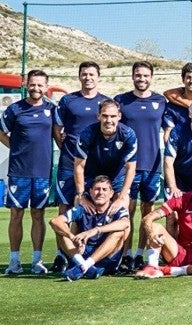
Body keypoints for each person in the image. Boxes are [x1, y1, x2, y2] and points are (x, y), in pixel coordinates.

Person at [1, 69, 62, 275]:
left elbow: (57, 135)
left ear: (46, 87)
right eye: (32, 84)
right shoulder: (15, 109)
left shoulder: (52, 109)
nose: (36, 88)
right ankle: (14, 261)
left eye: (40, 85)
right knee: (16, 214)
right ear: (26, 85)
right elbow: (1, 130)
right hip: (19, 171)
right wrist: (14, 148)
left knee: (38, 214)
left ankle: (37, 260)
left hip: (43, 172)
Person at [115, 61, 168, 272]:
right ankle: (125, 255)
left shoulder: (160, 101)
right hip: (128, 167)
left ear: (151, 77)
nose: (142, 79)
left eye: (146, 75)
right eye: (138, 75)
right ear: (132, 76)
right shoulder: (121, 101)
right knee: (126, 211)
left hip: (153, 165)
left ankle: (140, 254)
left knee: (148, 212)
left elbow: (169, 128)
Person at [133, 166, 192, 278]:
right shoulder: (183, 198)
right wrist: (152, 236)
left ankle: (174, 271)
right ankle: (152, 267)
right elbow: (148, 218)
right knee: (155, 226)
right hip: (178, 253)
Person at [54, 62, 107, 234]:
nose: (88, 78)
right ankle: (62, 256)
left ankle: (85, 251)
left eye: (92, 74)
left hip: (93, 166)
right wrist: (67, 148)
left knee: (90, 208)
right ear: (79, 76)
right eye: (84, 74)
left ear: (98, 77)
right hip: (68, 165)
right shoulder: (68, 100)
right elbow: (57, 129)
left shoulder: (105, 102)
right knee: (64, 207)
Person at [49, 175, 130, 280]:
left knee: (119, 233)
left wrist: (95, 230)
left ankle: (85, 266)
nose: (100, 193)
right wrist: (73, 237)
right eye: (97, 189)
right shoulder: (83, 208)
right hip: (82, 252)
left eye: (104, 189)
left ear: (111, 193)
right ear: (90, 192)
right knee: (61, 230)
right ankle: (84, 266)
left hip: (106, 257)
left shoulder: (116, 209)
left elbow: (125, 223)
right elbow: (55, 221)